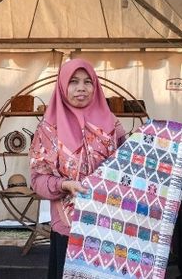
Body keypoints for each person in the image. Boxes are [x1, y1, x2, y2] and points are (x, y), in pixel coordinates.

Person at [29, 58, 126, 279]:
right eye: (73, 81)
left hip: (108, 225)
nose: (81, 88)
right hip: (68, 228)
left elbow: (126, 166)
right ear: (62, 85)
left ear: (95, 86)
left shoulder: (112, 125)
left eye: (87, 81)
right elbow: (37, 180)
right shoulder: (48, 130)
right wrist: (64, 185)